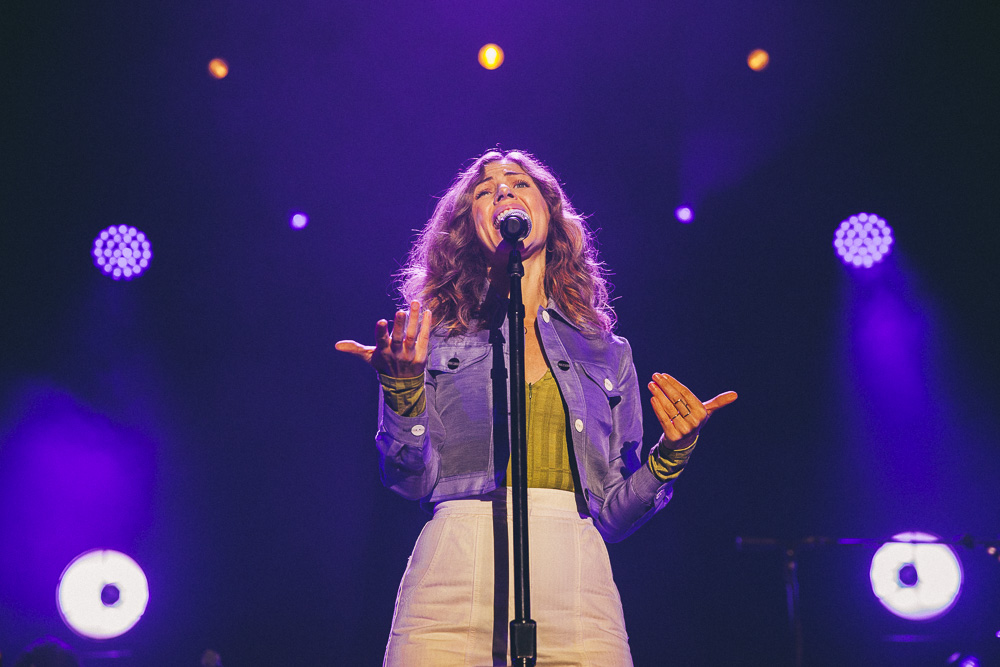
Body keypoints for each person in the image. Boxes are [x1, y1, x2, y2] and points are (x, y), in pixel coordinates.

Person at [336, 149, 736, 666]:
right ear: (466, 227)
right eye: (484, 190)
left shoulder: (607, 352)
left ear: (549, 211)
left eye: (518, 182)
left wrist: (670, 457)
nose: (502, 191)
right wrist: (404, 390)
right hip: (453, 573)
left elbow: (614, 514)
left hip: (576, 581)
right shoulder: (432, 340)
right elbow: (409, 480)